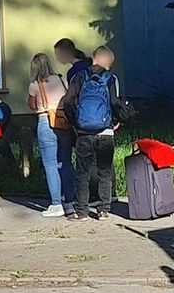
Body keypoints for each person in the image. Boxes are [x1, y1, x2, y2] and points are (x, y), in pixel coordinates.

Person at [63, 45, 120, 222]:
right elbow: (115, 102)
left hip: (83, 132)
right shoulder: (110, 78)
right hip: (106, 131)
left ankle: (82, 211)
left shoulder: (79, 77)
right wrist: (116, 121)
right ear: (108, 62)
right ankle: (103, 210)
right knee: (104, 171)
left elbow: (69, 102)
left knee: (83, 173)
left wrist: (75, 122)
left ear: (93, 58)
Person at [27, 53, 75, 217]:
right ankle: (70, 200)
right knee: (66, 162)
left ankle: (56, 204)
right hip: (64, 122)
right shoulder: (61, 79)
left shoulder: (34, 85)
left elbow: (32, 105)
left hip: (46, 122)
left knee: (50, 164)